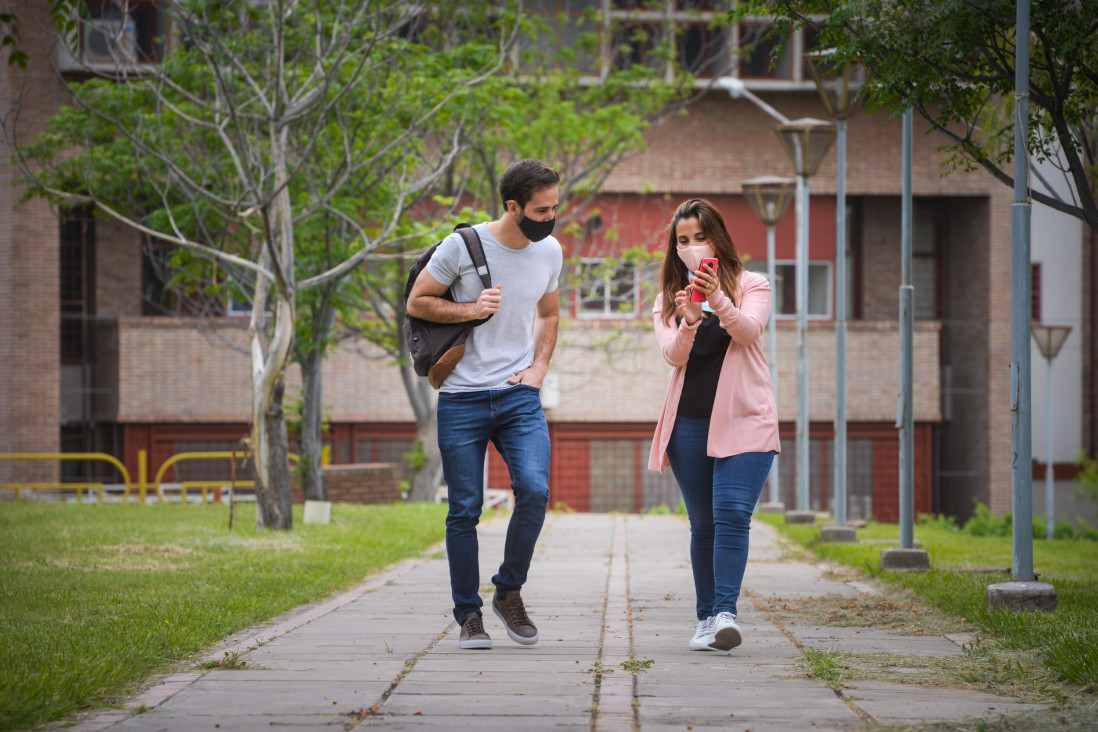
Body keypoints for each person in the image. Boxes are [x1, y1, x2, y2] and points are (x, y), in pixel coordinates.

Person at [406, 159, 563, 650]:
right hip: (462, 397)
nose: (551, 217)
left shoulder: (550, 250)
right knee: (465, 509)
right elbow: (417, 301)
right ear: (513, 207)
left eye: (556, 206)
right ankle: (468, 615)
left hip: (518, 396)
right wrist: (471, 310)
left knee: (534, 492)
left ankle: (508, 590)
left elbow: (550, 313)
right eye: (541, 209)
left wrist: (538, 369)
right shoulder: (462, 245)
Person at [647, 197, 780, 652]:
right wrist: (687, 319)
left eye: (699, 237)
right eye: (682, 241)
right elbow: (673, 356)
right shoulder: (670, 298)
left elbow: (747, 331)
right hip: (688, 427)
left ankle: (726, 612)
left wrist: (716, 297)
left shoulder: (752, 284)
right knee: (703, 525)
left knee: (732, 516)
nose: (691, 247)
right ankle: (706, 619)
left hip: (747, 422)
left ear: (717, 238)